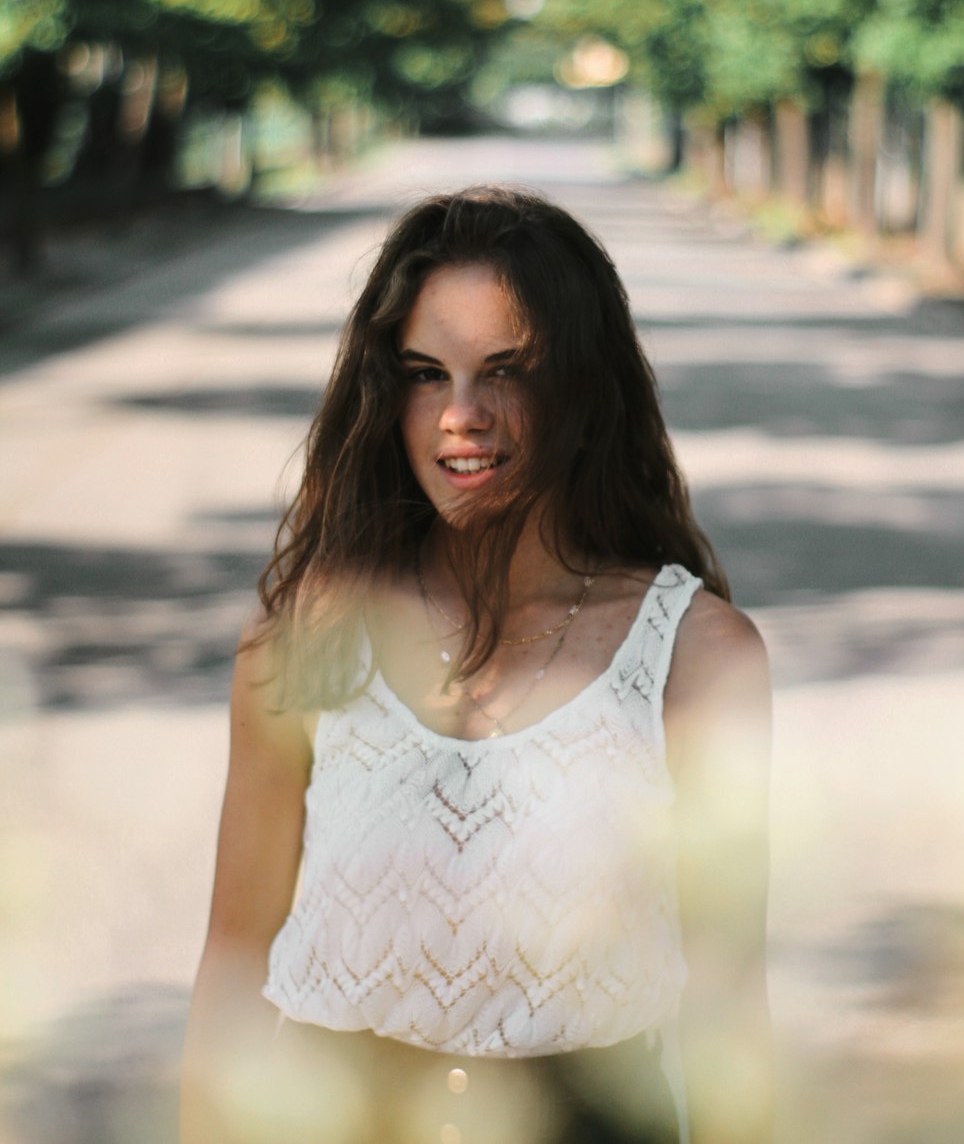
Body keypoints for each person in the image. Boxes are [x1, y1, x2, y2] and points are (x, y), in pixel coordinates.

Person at [180, 186, 772, 1144]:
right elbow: (234, 955)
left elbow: (729, 1000)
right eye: (424, 374)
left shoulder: (696, 658)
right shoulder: (308, 641)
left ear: (582, 390)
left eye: (508, 372)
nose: (462, 416)